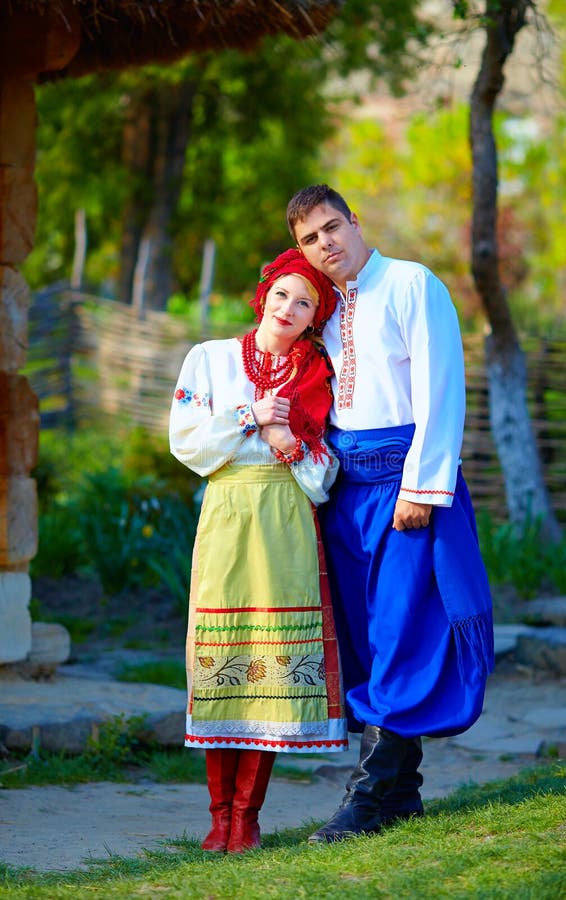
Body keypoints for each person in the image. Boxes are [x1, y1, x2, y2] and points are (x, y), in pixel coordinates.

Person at [285, 184, 495, 843]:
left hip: (406, 485)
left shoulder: (411, 283)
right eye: (309, 239)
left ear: (354, 221)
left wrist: (421, 488)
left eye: (330, 227)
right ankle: (403, 794)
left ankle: (366, 799)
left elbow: (441, 387)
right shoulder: (323, 307)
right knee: (371, 639)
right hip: (348, 492)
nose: (325, 244)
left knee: (405, 629)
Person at [169, 248, 347, 854]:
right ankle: (217, 815)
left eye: (305, 304)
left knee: (271, 669)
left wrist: (287, 440)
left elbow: (326, 475)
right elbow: (186, 441)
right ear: (264, 296)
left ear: (313, 318)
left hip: (286, 519)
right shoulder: (210, 359)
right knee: (224, 658)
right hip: (227, 511)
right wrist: (249, 415)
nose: (289, 309)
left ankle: (246, 817)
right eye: (283, 296)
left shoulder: (316, 373)